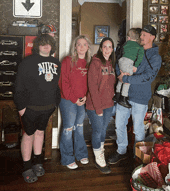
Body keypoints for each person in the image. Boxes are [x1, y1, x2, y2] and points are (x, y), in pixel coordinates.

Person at [107, 25, 162, 165]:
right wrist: (121, 72)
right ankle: (121, 151)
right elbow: (119, 62)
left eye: (144, 35)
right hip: (123, 96)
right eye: (141, 35)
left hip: (140, 97)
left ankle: (138, 157)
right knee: (119, 124)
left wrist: (126, 78)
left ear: (152, 37)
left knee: (138, 129)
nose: (141, 37)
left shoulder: (155, 57)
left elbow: (148, 77)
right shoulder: (131, 47)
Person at [14, 34, 61, 183]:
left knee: (40, 133)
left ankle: (38, 162)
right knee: (29, 135)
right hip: (30, 108)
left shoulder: (56, 63)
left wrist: (55, 104)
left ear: (52, 46)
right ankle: (27, 167)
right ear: (37, 46)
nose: (46, 46)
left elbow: (56, 86)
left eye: (49, 44)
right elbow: (19, 86)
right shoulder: (27, 62)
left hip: (47, 107)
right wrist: (21, 108)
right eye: (43, 43)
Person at [59, 35, 92, 170]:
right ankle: (67, 158)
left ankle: (81, 153)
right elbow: (63, 82)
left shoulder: (90, 63)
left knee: (79, 127)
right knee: (68, 128)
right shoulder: (68, 61)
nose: (82, 47)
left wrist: (86, 96)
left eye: (84, 44)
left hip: (82, 100)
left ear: (88, 47)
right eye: (79, 44)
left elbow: (92, 83)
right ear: (75, 47)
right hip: (68, 100)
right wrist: (74, 99)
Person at [86, 37, 116, 174]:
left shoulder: (111, 63)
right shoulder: (95, 63)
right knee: (98, 131)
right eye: (105, 46)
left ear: (113, 49)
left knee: (103, 130)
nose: (107, 49)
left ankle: (100, 151)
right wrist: (98, 108)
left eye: (110, 47)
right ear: (100, 48)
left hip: (108, 104)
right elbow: (92, 87)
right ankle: (99, 158)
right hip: (95, 105)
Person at [114, 28, 144, 108]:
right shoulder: (139, 47)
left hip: (121, 61)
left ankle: (117, 94)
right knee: (127, 80)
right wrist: (135, 66)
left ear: (129, 38)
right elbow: (140, 57)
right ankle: (123, 98)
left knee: (121, 78)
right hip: (128, 62)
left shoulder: (125, 44)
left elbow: (121, 53)